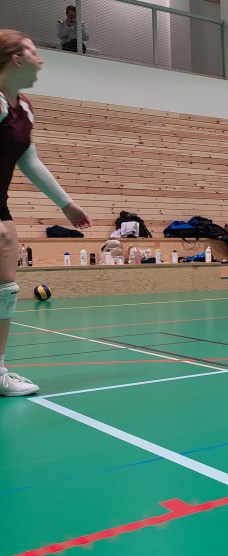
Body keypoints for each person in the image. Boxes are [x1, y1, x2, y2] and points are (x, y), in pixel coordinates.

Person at [0, 30, 93, 395]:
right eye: (34, 53)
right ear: (16, 59)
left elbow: (28, 158)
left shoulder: (23, 108)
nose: (41, 60)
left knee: (5, 287)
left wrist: (65, 203)